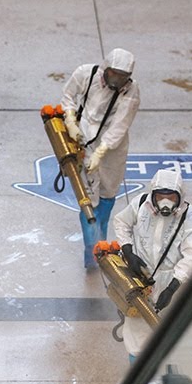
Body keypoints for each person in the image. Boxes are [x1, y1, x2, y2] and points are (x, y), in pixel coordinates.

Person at [109, 168, 192, 359]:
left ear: (180, 197)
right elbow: (121, 222)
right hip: (140, 277)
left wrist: (173, 287)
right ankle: (138, 373)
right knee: (136, 329)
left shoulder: (190, 217)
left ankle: (165, 372)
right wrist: (127, 249)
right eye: (160, 197)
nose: (165, 203)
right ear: (153, 195)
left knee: (166, 331)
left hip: (172, 279)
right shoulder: (141, 204)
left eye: (171, 198)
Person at [60, 48, 140, 267]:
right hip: (82, 140)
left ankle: (100, 244)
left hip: (112, 149)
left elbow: (120, 125)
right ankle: (93, 253)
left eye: (122, 76)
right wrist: (69, 120)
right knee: (88, 201)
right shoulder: (86, 74)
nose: (116, 80)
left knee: (107, 194)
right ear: (106, 68)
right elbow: (67, 96)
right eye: (113, 73)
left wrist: (102, 151)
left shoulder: (130, 92)